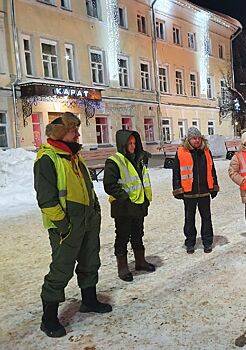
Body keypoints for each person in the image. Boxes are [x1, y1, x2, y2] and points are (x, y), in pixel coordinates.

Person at [34, 112, 112, 338]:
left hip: (87, 219)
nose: (77, 134)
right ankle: (48, 318)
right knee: (61, 268)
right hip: (65, 225)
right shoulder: (48, 158)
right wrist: (63, 224)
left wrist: (95, 211)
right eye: (73, 130)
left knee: (90, 260)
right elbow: (46, 199)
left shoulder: (72, 155)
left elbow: (86, 186)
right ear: (60, 134)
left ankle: (88, 300)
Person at [103, 130, 155, 282]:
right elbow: (109, 185)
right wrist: (125, 197)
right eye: (129, 144)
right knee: (122, 236)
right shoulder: (114, 161)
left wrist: (145, 199)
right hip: (123, 207)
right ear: (122, 145)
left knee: (138, 233)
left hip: (138, 204)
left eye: (134, 143)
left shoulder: (138, 159)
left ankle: (140, 261)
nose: (132, 146)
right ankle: (123, 267)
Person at [172, 127, 219, 254]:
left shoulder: (206, 151)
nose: (197, 140)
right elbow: (176, 172)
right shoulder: (181, 152)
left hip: (204, 191)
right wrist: (177, 189)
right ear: (189, 139)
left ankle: (207, 242)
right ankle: (190, 242)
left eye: (198, 138)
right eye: (194, 138)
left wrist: (214, 186)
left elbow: (211, 169)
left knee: (206, 218)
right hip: (189, 193)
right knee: (189, 219)